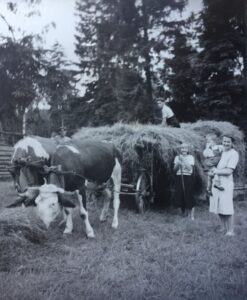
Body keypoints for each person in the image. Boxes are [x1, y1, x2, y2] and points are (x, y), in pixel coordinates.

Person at [209, 135, 239, 236]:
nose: (226, 143)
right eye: (224, 141)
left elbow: (229, 171)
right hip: (217, 181)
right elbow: (213, 147)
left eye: (228, 142)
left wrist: (216, 171)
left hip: (226, 183)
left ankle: (230, 230)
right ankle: (222, 227)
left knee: (227, 206)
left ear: (232, 143)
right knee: (218, 205)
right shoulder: (222, 151)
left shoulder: (234, 154)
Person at [173, 143, 195, 220]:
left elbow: (189, 168)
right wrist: (178, 164)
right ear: (180, 149)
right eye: (182, 148)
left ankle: (191, 215)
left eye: (185, 148)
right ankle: (183, 214)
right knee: (180, 195)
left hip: (188, 177)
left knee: (189, 195)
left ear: (188, 149)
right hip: (179, 177)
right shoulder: (177, 157)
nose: (184, 150)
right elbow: (174, 170)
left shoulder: (191, 157)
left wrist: (183, 161)